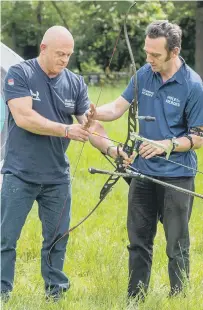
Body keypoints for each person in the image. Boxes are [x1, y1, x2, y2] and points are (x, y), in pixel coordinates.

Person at [1, 26, 127, 302]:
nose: (65, 60)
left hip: (56, 176)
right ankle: (2, 292)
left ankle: (55, 294)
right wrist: (66, 130)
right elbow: (24, 118)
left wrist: (112, 149)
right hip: (19, 173)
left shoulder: (75, 82)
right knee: (6, 239)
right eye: (60, 53)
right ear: (43, 49)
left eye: (69, 55)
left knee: (57, 239)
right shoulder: (19, 74)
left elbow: (89, 125)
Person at [87, 21, 203, 299]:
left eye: (155, 55)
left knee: (176, 244)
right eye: (146, 53)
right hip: (141, 173)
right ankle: (135, 299)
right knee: (138, 241)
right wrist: (92, 112)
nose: (148, 59)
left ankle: (179, 300)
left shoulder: (194, 86)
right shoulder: (143, 74)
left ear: (174, 52)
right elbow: (116, 107)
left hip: (178, 176)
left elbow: (198, 137)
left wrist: (168, 145)